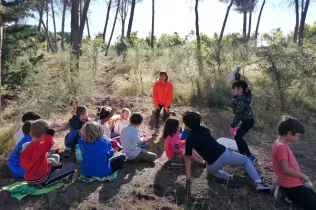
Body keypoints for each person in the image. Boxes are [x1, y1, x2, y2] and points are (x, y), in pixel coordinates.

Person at [183, 111, 272, 191]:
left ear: (186, 125)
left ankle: (228, 177)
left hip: (213, 164)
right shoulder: (204, 128)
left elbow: (187, 157)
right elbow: (200, 125)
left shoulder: (189, 139)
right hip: (224, 155)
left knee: (211, 171)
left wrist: (188, 176)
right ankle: (258, 182)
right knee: (246, 160)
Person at [272, 116, 316, 209]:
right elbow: (285, 169)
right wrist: (302, 175)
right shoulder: (282, 147)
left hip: (291, 183)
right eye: (298, 136)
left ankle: (282, 189)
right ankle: (284, 192)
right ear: (289, 133)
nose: (298, 139)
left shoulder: (277, 144)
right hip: (291, 185)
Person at [20, 120, 76, 188]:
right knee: (72, 167)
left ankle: (55, 170)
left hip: (32, 177)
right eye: (46, 135)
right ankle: (53, 179)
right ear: (44, 135)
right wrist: (50, 130)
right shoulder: (37, 145)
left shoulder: (28, 145)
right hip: (40, 181)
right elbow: (48, 144)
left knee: (53, 158)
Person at [230, 80, 256, 165]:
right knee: (238, 137)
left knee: (238, 137)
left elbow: (238, 115)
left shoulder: (240, 101)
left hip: (247, 122)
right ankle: (243, 156)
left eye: (234, 88)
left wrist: (232, 125)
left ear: (240, 89)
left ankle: (250, 157)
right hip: (247, 121)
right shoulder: (243, 97)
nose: (232, 91)